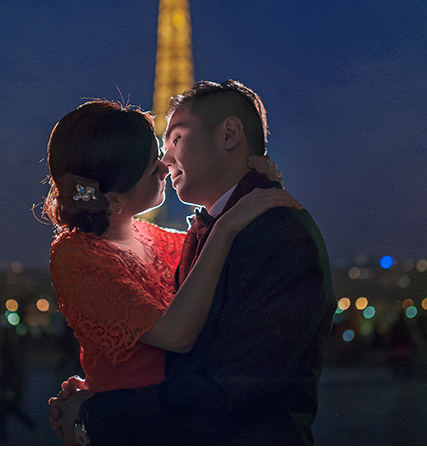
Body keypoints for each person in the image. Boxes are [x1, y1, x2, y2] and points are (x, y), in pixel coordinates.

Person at [50, 80, 336, 445]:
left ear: (230, 134)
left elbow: (234, 392)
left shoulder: (272, 233)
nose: (164, 162)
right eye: (155, 152)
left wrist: (94, 413)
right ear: (115, 186)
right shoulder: (215, 231)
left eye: (176, 140)